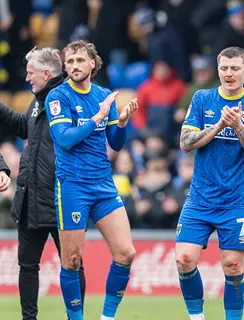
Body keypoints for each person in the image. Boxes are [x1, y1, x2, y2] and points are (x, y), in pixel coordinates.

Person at [44, 40, 139, 320]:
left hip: (103, 185)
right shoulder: (57, 97)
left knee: (126, 253)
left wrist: (121, 123)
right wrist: (97, 116)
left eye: (79, 61)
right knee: (71, 260)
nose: (74, 66)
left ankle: (107, 317)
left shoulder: (103, 94)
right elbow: (65, 139)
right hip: (72, 185)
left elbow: (116, 144)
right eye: (69, 61)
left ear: (92, 64)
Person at [175, 46, 244, 320]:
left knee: (233, 266)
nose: (228, 74)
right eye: (224, 68)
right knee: (184, 260)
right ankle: (197, 317)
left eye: (235, 68)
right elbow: (185, 143)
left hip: (236, 200)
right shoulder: (203, 98)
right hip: (200, 198)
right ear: (218, 70)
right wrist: (219, 125)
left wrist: (239, 127)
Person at [0, 47, 87, 320]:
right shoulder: (38, 101)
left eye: (30, 73)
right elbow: (22, 126)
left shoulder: (66, 99)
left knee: (72, 264)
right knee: (27, 266)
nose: (27, 78)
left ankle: (76, 316)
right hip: (31, 196)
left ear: (47, 73)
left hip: (61, 196)